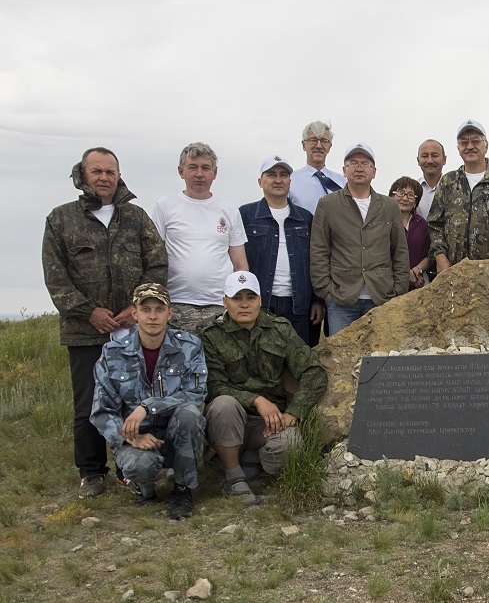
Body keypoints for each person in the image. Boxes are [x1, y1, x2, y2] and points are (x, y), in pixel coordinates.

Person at [42, 147, 168, 498]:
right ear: (82, 176)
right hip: (85, 331)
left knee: (136, 400)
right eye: (96, 171)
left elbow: (157, 266)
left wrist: (135, 306)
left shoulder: (137, 218)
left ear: (119, 175)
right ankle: (92, 472)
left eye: (110, 172)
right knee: (89, 405)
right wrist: (88, 312)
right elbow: (56, 278)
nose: (103, 178)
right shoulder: (61, 220)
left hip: (134, 330)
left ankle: (131, 466)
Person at [202, 272, 328, 501]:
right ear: (224, 302)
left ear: (260, 300)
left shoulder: (279, 328)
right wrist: (257, 400)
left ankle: (249, 463)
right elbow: (214, 385)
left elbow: (314, 371)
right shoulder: (211, 336)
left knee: (291, 446)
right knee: (223, 405)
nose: (244, 304)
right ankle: (234, 478)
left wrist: (294, 413)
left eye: (250, 297)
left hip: (271, 423)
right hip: (232, 419)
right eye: (236, 298)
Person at [91, 283, 207, 519]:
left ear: (170, 313)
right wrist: (130, 438)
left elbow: (196, 393)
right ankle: (143, 488)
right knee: (139, 466)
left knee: (190, 414)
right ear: (134, 313)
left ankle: (183, 489)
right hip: (136, 437)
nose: (153, 316)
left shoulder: (189, 346)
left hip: (175, 434)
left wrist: (148, 406)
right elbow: (101, 411)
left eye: (159, 309)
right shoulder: (112, 353)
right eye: (145, 309)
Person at [310, 143, 409, 334]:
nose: (359, 168)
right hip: (341, 299)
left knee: (381, 358)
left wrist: (398, 291)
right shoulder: (328, 205)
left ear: (374, 172)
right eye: (353, 163)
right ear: (344, 171)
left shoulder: (389, 206)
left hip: (381, 297)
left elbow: (400, 252)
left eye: (365, 163)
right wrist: (326, 291)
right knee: (341, 361)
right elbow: (319, 250)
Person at [152, 142, 249, 333]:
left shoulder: (229, 210)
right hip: (177, 304)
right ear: (181, 172)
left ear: (215, 173)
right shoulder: (164, 206)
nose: (199, 174)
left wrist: (237, 301)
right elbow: (154, 258)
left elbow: (240, 265)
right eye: (192, 167)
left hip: (220, 305)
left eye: (205, 168)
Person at [240, 155, 324, 344]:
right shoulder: (245, 215)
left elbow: (317, 259)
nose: (278, 180)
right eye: (272, 175)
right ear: (261, 181)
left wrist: (317, 301)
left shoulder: (305, 218)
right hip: (260, 303)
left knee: (299, 360)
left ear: (290, 181)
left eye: (283, 175)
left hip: (299, 306)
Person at [426, 119, 489, 272]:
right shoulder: (448, 181)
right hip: (453, 272)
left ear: (486, 146)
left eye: (475, 141)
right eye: (464, 142)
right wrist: (440, 257)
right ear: (458, 148)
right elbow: (434, 224)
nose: (469, 146)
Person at [289, 120, 346, 214]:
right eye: (313, 140)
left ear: (329, 147)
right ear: (303, 145)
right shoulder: (291, 181)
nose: (319, 146)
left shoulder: (342, 182)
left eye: (324, 141)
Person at [389, 176, 431, 290]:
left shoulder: (422, 225)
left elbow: (430, 254)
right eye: (400, 193)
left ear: (415, 202)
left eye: (411, 195)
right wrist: (403, 275)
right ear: (392, 196)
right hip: (387, 282)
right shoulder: (382, 222)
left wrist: (416, 271)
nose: (405, 198)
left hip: (417, 283)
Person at [415, 139, 447, 219]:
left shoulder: (455, 189)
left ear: (444, 160)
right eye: (425, 156)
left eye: (435, 155)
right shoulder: (412, 190)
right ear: (418, 160)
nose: (430, 161)